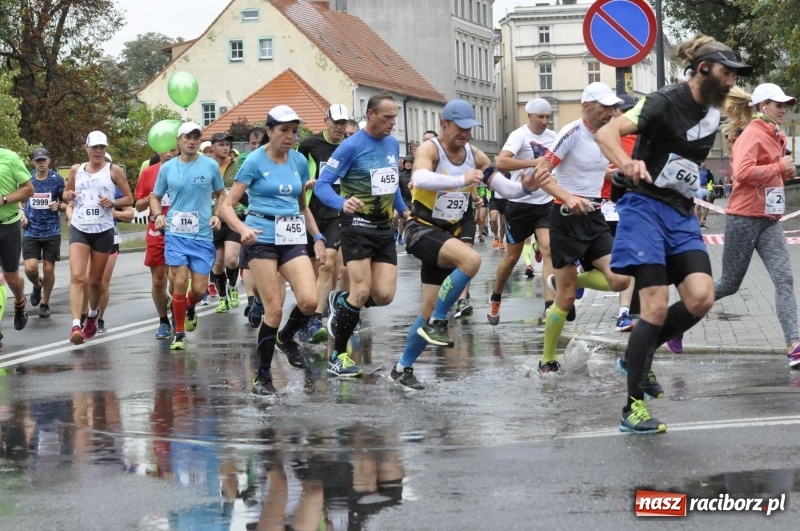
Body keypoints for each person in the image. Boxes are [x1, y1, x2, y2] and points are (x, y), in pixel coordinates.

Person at [596, 34, 752, 434]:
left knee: (701, 297)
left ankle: (637, 356)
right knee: (655, 305)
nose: (732, 80)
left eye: (735, 75)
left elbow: (747, 102)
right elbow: (607, 134)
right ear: (703, 69)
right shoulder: (663, 101)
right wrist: (626, 162)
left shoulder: (717, 105)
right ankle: (632, 408)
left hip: (680, 212)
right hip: (643, 206)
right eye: (727, 73)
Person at [388, 99, 549, 389]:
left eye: (469, 129)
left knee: (426, 311)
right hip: (421, 229)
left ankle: (402, 367)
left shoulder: (475, 155)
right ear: (443, 124)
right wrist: (461, 178)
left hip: (447, 233)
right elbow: (420, 177)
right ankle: (440, 321)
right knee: (472, 260)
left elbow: (504, 187)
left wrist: (525, 188)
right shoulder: (430, 149)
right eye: (459, 128)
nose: (465, 134)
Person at [219, 105, 327, 395]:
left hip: (292, 236)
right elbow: (227, 206)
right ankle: (262, 377)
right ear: (269, 131)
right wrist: (242, 229)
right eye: (284, 130)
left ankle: (286, 338)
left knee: (309, 301)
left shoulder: (299, 161)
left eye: (294, 131)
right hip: (261, 238)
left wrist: (318, 237)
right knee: (274, 310)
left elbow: (302, 207)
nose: (290, 136)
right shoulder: (254, 161)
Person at [531, 82, 631, 376]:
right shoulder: (571, 133)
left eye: (614, 108)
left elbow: (590, 169)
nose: (612, 113)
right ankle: (547, 359)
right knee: (565, 298)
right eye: (605, 107)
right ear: (587, 106)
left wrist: (615, 173)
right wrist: (569, 197)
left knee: (621, 278)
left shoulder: (607, 134)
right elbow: (540, 174)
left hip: (594, 217)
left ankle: (569, 282)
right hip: (565, 219)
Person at [314, 93, 409, 377]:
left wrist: (404, 210)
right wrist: (341, 203)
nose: (393, 123)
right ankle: (338, 356)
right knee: (361, 290)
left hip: (384, 227)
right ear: (370, 115)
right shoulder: (351, 146)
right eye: (387, 117)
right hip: (356, 225)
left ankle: (340, 302)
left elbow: (392, 185)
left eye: (395, 117)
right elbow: (322, 185)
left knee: (385, 296)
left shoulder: (392, 144)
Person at [714, 83, 800, 367]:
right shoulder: (752, 133)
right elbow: (742, 173)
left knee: (784, 280)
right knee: (728, 285)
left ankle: (794, 345)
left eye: (785, 105)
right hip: (743, 218)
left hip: (769, 220)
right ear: (763, 106)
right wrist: (779, 168)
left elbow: (772, 175)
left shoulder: (778, 134)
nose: (784, 109)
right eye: (778, 105)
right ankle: (675, 317)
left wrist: (784, 174)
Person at [151, 122, 225, 351]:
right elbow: (155, 196)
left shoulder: (210, 165)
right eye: (187, 137)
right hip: (175, 233)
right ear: (179, 140)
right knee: (180, 281)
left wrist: (217, 214)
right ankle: (179, 333)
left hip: (202, 234)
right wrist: (158, 216)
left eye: (196, 137)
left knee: (200, 290)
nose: (192, 141)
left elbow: (221, 194)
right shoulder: (167, 168)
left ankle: (190, 308)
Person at [487, 98, 557, 326]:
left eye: (547, 117)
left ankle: (549, 306)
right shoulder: (520, 135)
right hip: (520, 203)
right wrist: (532, 162)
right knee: (512, 258)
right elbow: (501, 162)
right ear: (529, 116)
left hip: (545, 203)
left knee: (548, 249)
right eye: (540, 117)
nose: (544, 121)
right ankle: (496, 297)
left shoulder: (554, 137)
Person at [63, 132, 133, 344]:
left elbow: (130, 198)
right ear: (86, 148)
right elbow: (66, 194)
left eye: (102, 147)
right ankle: (76, 325)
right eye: (94, 147)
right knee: (77, 276)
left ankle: (93, 315)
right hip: (80, 228)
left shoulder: (113, 170)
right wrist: (68, 195)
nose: (98, 151)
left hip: (103, 230)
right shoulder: (76, 170)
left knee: (95, 281)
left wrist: (113, 203)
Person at [294, 104, 351, 345]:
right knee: (314, 270)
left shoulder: (350, 146)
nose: (339, 127)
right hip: (311, 211)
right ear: (326, 120)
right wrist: (306, 182)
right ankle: (321, 306)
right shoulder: (309, 145)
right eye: (336, 122)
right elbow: (296, 172)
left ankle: (316, 319)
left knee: (328, 264)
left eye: (343, 123)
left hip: (338, 212)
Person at [603, 94, 639, 333]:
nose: (627, 115)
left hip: (629, 206)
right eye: (623, 111)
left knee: (628, 260)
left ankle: (624, 312)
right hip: (600, 205)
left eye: (631, 111)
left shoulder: (642, 138)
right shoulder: (604, 136)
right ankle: (574, 279)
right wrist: (605, 174)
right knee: (600, 262)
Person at [134, 147, 179, 339]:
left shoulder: (186, 170)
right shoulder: (148, 173)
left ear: (179, 149)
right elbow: (138, 206)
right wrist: (151, 198)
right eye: (164, 150)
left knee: (177, 279)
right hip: (156, 230)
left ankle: (177, 315)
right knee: (158, 280)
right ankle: (163, 321)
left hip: (180, 229)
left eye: (173, 150)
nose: (168, 154)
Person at [21, 147, 65, 319]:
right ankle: (37, 285)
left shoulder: (57, 180)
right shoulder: (27, 178)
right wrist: (21, 213)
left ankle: (45, 303)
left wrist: (58, 206)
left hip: (51, 230)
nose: (41, 163)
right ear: (33, 162)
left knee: (48, 268)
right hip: (31, 230)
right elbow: (19, 200)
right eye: (38, 161)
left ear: (49, 160)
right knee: (30, 268)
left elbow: (66, 203)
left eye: (44, 160)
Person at [0, 147, 35, 334]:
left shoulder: (10, 157)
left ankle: (20, 301)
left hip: (8, 225)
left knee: (11, 279)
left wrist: (4, 199)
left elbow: (29, 190)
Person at [209, 132, 242, 314]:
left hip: (232, 219)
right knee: (217, 263)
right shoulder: (206, 166)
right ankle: (222, 298)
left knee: (231, 259)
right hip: (212, 220)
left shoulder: (237, 166)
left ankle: (233, 287)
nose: (225, 148)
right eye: (221, 144)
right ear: (212, 147)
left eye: (227, 145)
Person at [396, 155, 413, 244]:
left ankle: (409, 237)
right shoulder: (400, 175)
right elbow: (396, 189)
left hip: (414, 200)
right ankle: (400, 235)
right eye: (406, 162)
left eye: (410, 162)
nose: (408, 164)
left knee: (412, 220)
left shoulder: (416, 174)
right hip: (404, 200)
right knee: (403, 219)